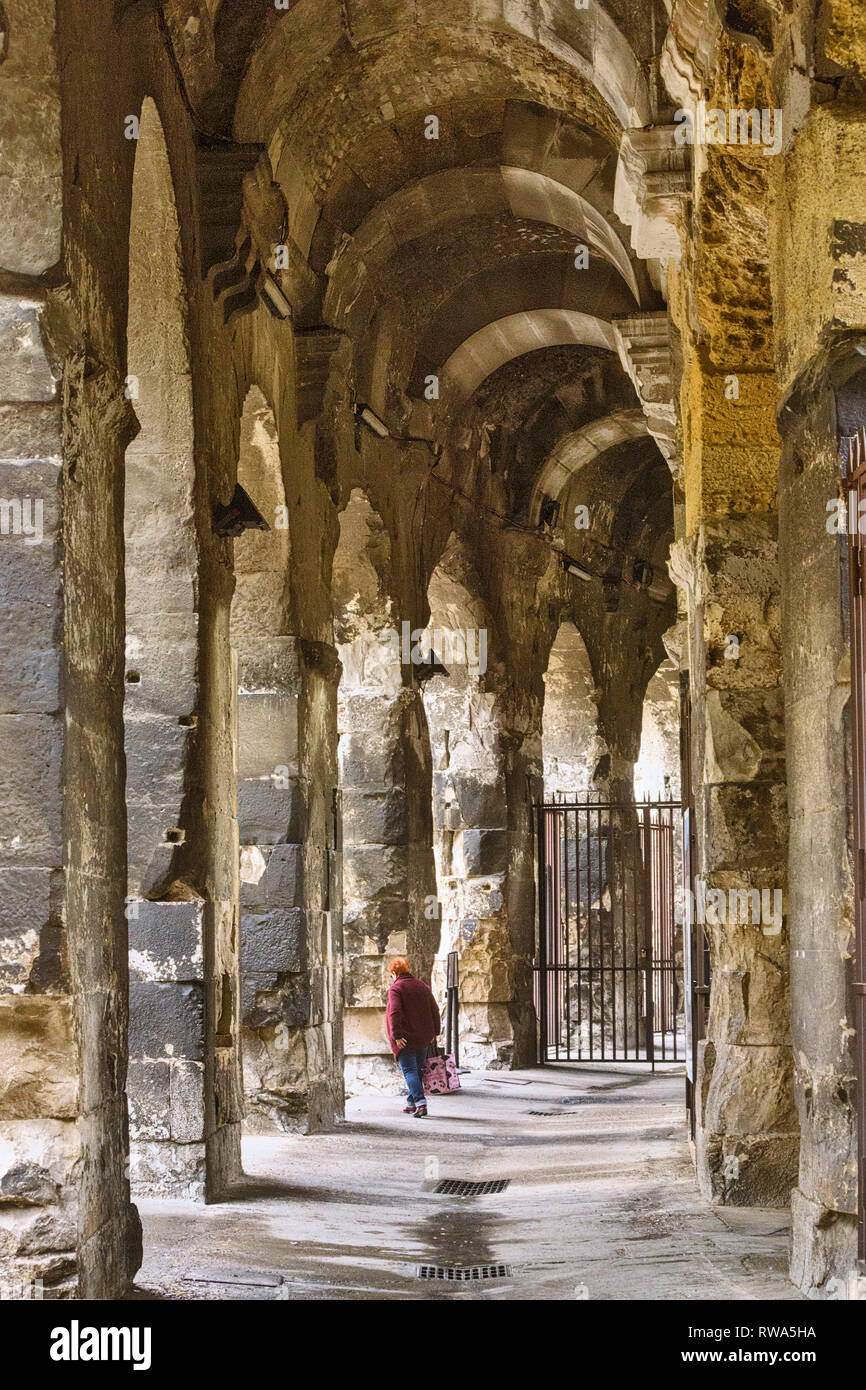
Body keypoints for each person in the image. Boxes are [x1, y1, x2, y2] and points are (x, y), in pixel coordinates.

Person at [385, 957, 441, 1118]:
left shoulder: (396, 989)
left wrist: (397, 1035)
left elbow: (394, 1012)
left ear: (394, 973)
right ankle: (411, 1103)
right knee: (417, 1070)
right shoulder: (422, 986)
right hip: (423, 1036)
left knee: (410, 1071)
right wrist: (435, 1032)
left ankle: (420, 1102)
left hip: (405, 1038)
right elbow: (434, 1010)